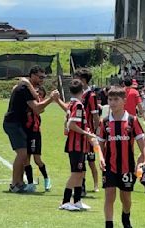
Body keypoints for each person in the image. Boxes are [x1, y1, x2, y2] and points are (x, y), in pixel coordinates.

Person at [97, 86, 145, 228]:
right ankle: (109, 224)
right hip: (109, 166)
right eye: (110, 99)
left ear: (124, 101)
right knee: (109, 195)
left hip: (127, 166)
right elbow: (100, 144)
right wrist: (100, 157)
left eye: (116, 99)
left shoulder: (132, 121)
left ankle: (126, 217)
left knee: (126, 198)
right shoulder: (105, 122)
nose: (112, 103)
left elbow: (142, 143)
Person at [3, 66, 58, 193]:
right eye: (40, 77)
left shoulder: (28, 87)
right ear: (32, 75)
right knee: (22, 154)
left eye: (44, 77)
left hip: (19, 124)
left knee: (25, 155)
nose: (42, 80)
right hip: (13, 123)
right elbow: (38, 109)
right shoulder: (24, 88)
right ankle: (14, 184)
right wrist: (51, 99)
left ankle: (20, 183)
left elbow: (39, 109)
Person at [58, 79, 94, 211]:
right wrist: (85, 132)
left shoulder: (72, 104)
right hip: (76, 144)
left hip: (79, 144)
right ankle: (65, 201)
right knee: (75, 173)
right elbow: (71, 125)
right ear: (82, 91)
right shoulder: (78, 105)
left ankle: (77, 200)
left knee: (80, 172)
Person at [74, 68, 100, 194]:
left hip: (88, 134)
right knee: (81, 161)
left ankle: (95, 184)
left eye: (77, 78)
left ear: (83, 80)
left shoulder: (91, 96)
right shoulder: (81, 94)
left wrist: (95, 134)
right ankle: (82, 186)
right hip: (80, 133)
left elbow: (95, 116)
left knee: (91, 162)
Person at [24, 86, 51, 192]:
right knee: (26, 159)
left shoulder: (38, 104)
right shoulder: (28, 100)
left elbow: (41, 109)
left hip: (35, 133)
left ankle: (46, 178)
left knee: (37, 159)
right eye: (36, 92)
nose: (37, 94)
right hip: (26, 132)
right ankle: (30, 183)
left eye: (40, 94)